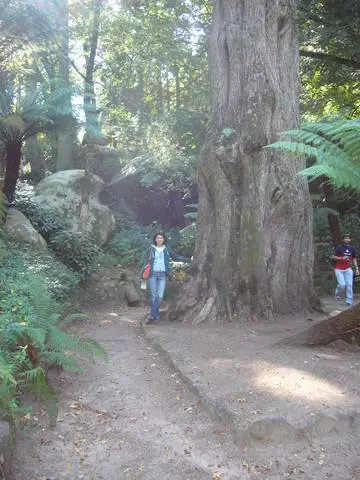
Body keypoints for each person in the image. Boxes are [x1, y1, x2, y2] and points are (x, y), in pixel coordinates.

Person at [141, 232, 191, 324]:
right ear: (155, 239)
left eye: (161, 238)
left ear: (164, 239)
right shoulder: (151, 249)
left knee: (159, 297)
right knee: (153, 296)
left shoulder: (166, 249)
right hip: (152, 275)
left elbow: (176, 257)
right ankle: (155, 317)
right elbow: (146, 262)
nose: (159, 239)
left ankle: (152, 315)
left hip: (162, 275)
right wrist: (142, 276)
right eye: (158, 238)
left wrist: (189, 260)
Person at [332, 233, 359, 307]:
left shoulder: (352, 248)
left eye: (348, 238)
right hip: (338, 269)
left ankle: (349, 301)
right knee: (343, 285)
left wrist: (357, 268)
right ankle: (337, 292)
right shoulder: (339, 247)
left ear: (350, 239)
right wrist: (341, 258)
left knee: (349, 285)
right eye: (346, 238)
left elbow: (354, 258)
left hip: (348, 269)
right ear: (343, 239)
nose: (347, 239)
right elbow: (333, 257)